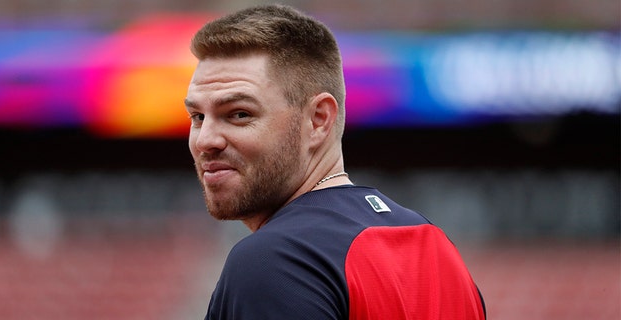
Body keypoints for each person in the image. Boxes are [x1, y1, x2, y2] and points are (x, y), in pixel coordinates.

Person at [184, 4, 486, 320]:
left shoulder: (275, 260)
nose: (205, 140)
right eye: (197, 116)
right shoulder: (438, 248)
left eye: (239, 114)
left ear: (318, 119)